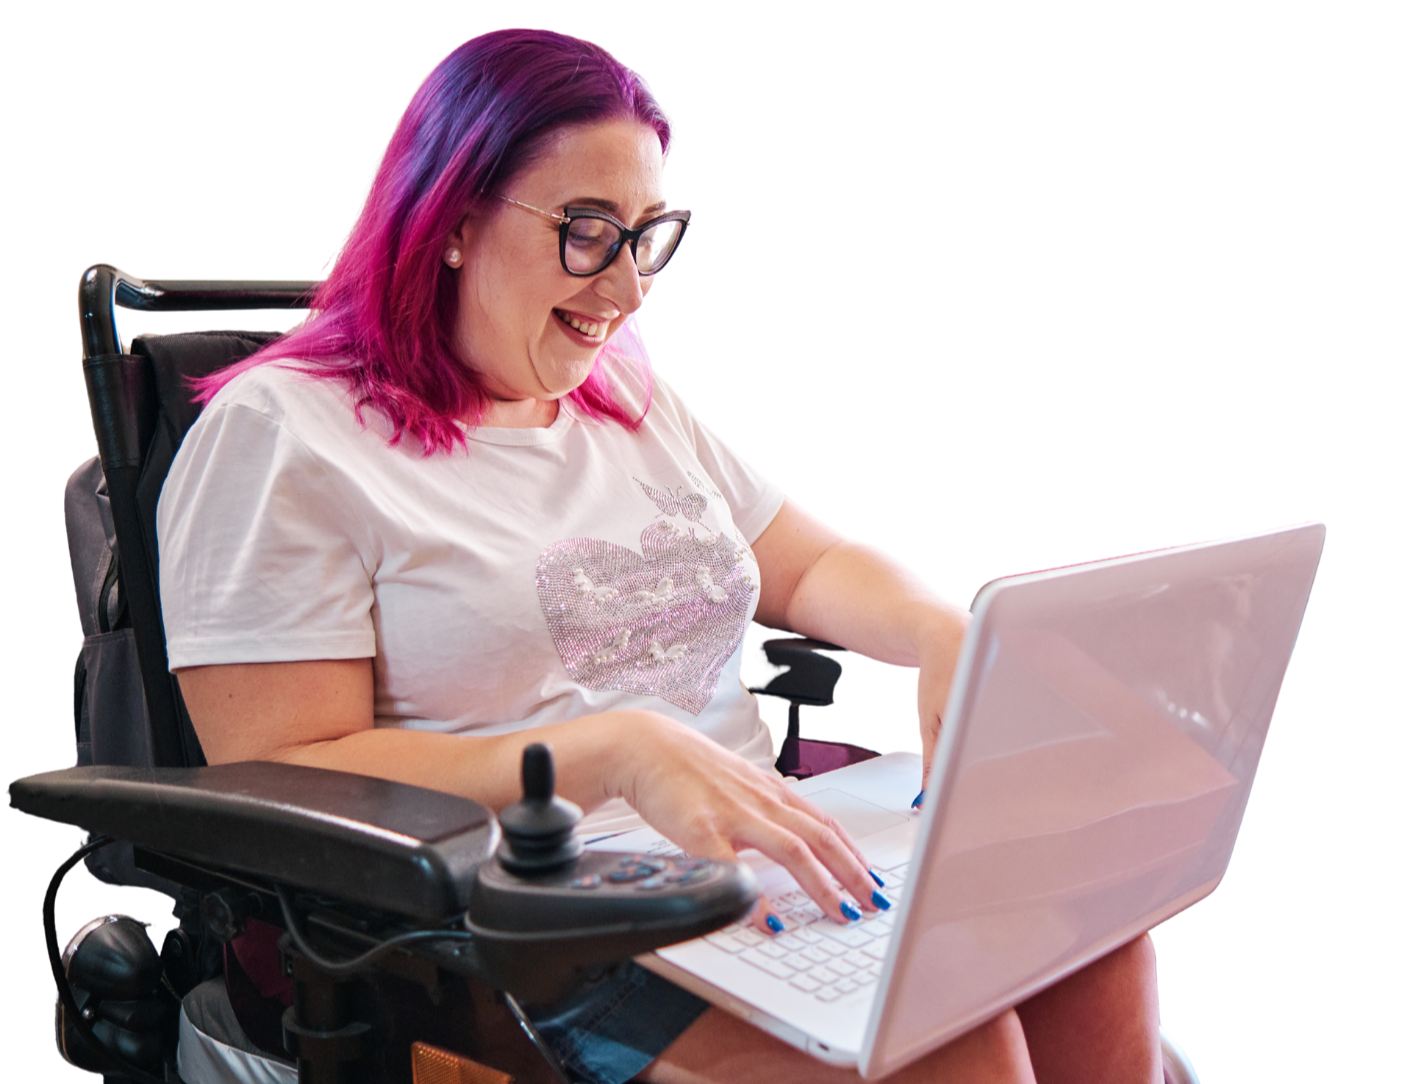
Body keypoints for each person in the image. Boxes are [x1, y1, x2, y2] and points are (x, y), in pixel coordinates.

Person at [157, 27, 1165, 1084]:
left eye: (648, 236)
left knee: (1088, 934)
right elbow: (283, 771)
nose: (630, 293)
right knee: (954, 1046)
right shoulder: (285, 434)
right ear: (450, 221)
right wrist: (612, 752)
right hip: (510, 921)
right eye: (587, 232)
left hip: (743, 861)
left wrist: (943, 632)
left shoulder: (622, 385)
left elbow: (803, 562)